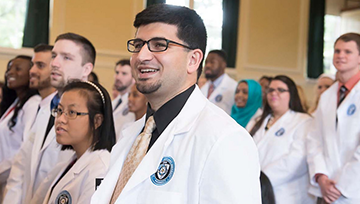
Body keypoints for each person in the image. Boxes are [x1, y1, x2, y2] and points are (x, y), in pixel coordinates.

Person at [91, 4, 261, 204]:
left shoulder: (224, 139)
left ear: (193, 60)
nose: (142, 56)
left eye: (159, 44)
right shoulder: (132, 134)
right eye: (138, 45)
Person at [4, 33, 96, 204]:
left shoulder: (92, 118)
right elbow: (20, 168)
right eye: (54, 56)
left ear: (86, 69)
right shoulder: (46, 108)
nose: (55, 63)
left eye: (66, 57)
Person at [32, 81, 115, 204]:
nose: (60, 119)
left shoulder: (100, 169)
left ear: (97, 121)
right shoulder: (70, 161)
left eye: (72, 112)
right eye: (59, 110)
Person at [307, 33, 360, 204]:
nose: (340, 56)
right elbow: (315, 139)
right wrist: (321, 176)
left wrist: (341, 185)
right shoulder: (327, 96)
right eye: (337, 51)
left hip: (353, 188)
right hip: (326, 187)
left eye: (347, 51)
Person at [4, 44, 57, 204]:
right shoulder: (40, 106)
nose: (32, 71)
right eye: (33, 65)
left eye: (40, 65)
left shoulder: (42, 107)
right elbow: (22, 161)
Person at [250, 75, 315, 204]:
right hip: (255, 189)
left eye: (280, 90)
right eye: (270, 90)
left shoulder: (304, 121)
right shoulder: (257, 121)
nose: (274, 93)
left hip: (287, 194)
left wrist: (261, 179)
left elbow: (296, 160)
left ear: (291, 94)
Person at [0, 56, 41, 201]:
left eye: (17, 69)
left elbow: (25, 148)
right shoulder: (17, 102)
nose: (10, 72)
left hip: (13, 179)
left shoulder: (33, 104)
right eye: (9, 68)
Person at [200, 50, 237, 114]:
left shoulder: (234, 87)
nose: (208, 65)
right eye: (206, 62)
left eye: (212, 62)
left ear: (223, 65)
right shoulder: (203, 88)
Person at [112, 59, 135, 141]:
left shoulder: (134, 104)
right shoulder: (113, 103)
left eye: (124, 73)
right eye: (117, 73)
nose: (118, 77)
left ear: (133, 78)